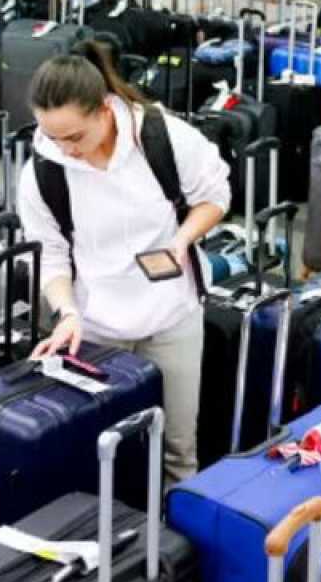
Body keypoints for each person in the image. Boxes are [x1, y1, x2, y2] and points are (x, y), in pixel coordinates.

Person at [16, 41, 231, 479]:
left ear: (104, 110)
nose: (66, 149)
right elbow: (52, 254)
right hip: (95, 329)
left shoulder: (161, 136)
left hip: (173, 317)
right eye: (53, 137)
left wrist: (182, 238)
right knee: (104, 454)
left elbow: (215, 196)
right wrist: (67, 311)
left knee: (177, 448)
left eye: (75, 136)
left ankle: (174, 543)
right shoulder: (43, 170)